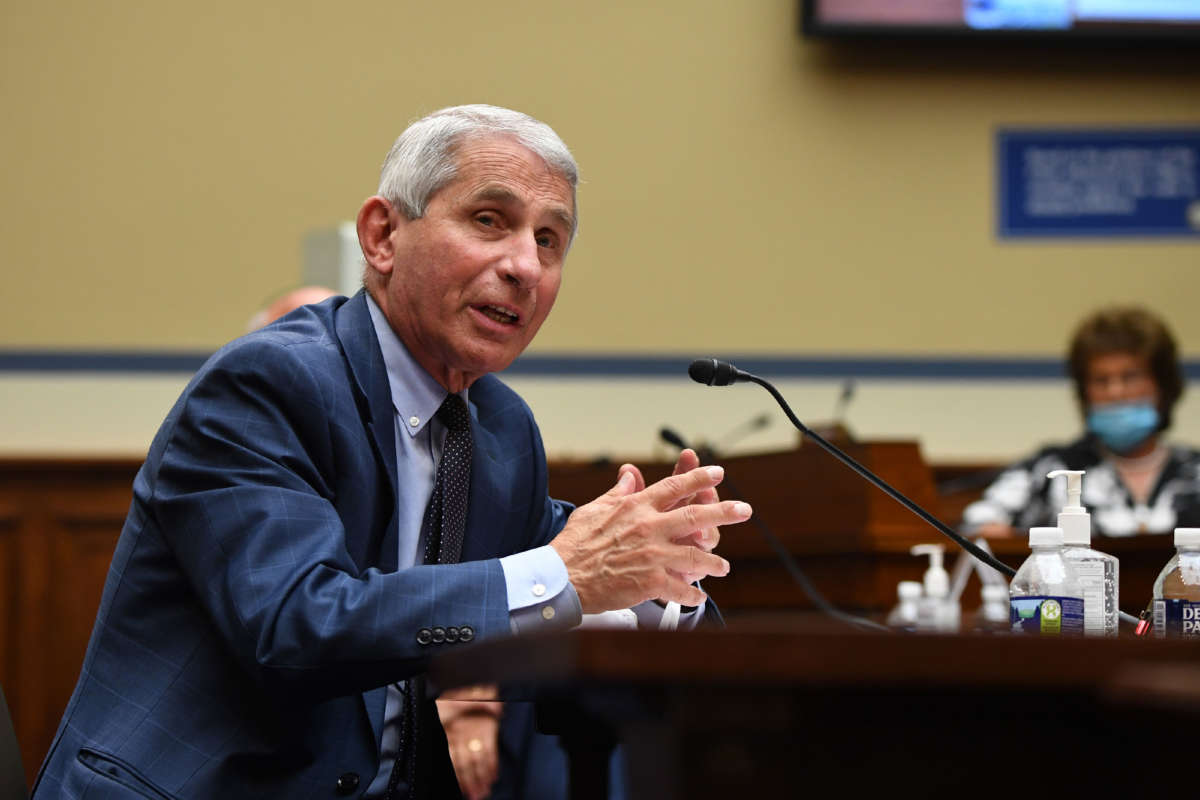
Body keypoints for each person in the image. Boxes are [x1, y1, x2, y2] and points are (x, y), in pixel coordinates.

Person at [32, 104, 750, 799]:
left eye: (550, 240)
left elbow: (536, 600)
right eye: (489, 220)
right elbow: (296, 626)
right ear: (382, 236)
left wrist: (658, 580)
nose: (525, 265)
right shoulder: (267, 386)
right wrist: (565, 571)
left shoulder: (499, 430)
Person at [963, 306, 1200, 538]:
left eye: (1130, 377)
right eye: (1101, 380)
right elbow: (975, 523)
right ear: (1084, 393)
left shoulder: (1194, 472)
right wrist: (988, 532)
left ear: (1163, 385)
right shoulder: (1051, 470)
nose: (1115, 392)